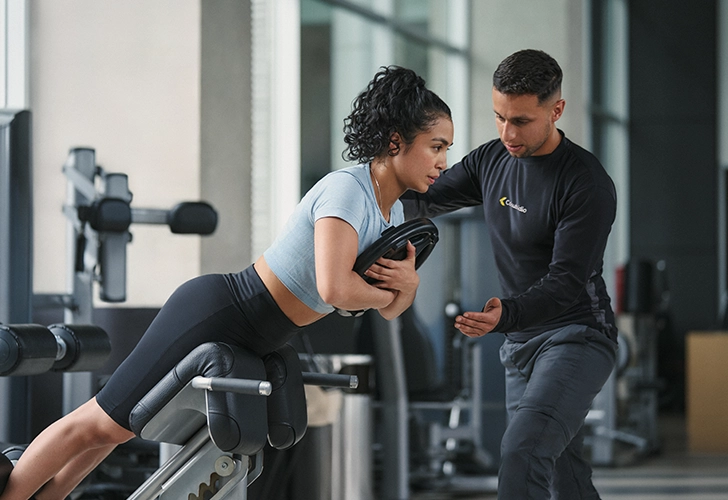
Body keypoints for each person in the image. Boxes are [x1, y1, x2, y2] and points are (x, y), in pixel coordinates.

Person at [0, 65, 453, 500]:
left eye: (447, 150)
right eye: (436, 146)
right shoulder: (348, 191)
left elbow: (384, 308)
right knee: (96, 423)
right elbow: (336, 291)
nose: (443, 162)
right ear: (396, 141)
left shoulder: (391, 213)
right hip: (222, 312)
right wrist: (395, 291)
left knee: (114, 430)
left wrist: (403, 290)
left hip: (262, 335)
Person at [402, 49, 617, 499]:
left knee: (522, 453)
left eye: (520, 121)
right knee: (564, 471)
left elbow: (565, 282)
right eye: (499, 117)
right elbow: (423, 195)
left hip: (576, 336)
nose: (507, 132)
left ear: (556, 110)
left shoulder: (585, 183)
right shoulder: (491, 161)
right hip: (521, 344)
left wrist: (507, 315)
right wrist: (366, 189)